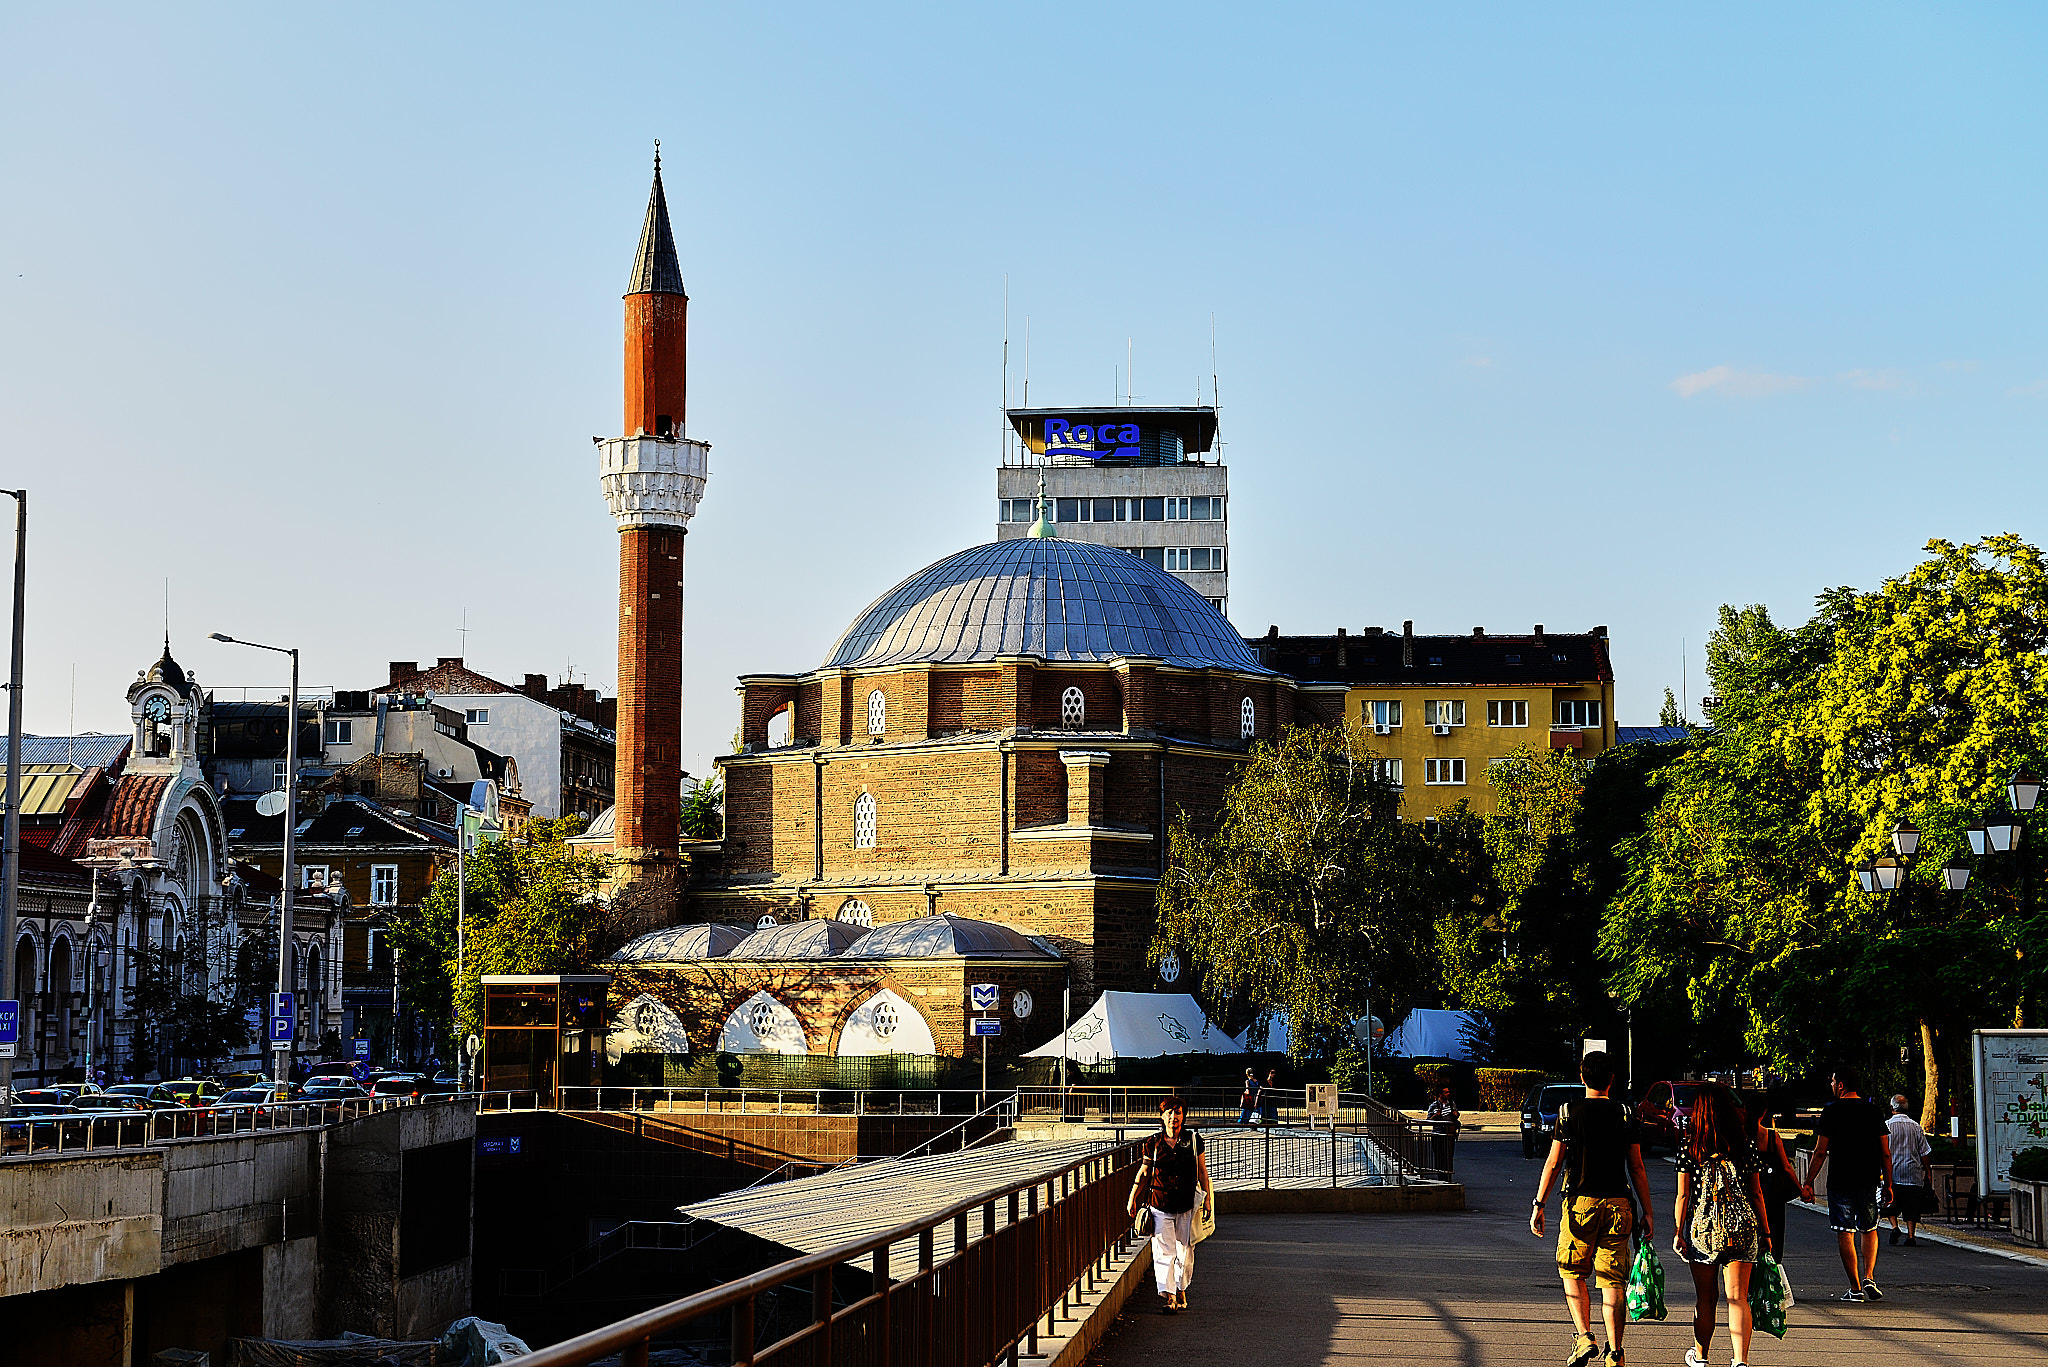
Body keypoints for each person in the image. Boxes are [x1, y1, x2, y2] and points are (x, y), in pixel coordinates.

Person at [1531, 1050, 1653, 1367]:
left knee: (1572, 1271)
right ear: (1612, 1079)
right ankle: (1615, 1352)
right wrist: (1648, 1211)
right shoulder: (1626, 1113)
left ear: (1582, 1077)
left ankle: (1584, 1337)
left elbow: (1554, 1163)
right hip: (1619, 1205)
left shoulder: (1569, 1113)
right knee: (1612, 1280)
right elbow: (1637, 1167)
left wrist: (1539, 1203)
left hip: (1579, 1204)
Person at [1673, 1081, 1768, 1367]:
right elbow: (1756, 1192)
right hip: (1741, 1229)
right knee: (1738, 1298)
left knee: (1706, 1298)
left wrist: (1679, 1232)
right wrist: (1765, 1231)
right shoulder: (1744, 1144)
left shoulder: (1691, 1145)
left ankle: (1701, 1356)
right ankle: (1740, 1361)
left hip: (1703, 1232)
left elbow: (1683, 1194)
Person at [1801, 1064, 1894, 1303]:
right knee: (1870, 1228)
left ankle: (1854, 1288)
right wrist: (1889, 1184)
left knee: (1845, 1232)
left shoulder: (1831, 1111)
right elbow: (1885, 1152)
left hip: (1841, 1180)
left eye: (1832, 1081)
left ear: (1841, 1085)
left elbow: (1820, 1151)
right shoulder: (1873, 1111)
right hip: (1869, 1179)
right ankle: (1869, 1276)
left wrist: (1808, 1182)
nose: (1831, 1085)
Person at [1124, 1096, 1214, 1314]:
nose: (1174, 1117)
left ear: (1183, 1116)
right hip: (1160, 1203)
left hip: (1186, 1203)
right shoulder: (1153, 1143)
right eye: (1169, 1113)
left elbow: (1202, 1171)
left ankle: (1181, 1288)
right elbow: (1145, 1171)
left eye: (1178, 1112)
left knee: (1185, 1250)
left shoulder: (1193, 1140)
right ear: (1162, 1116)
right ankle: (1170, 1297)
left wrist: (1208, 1199)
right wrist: (1132, 1197)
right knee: (1163, 1252)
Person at [1747, 1093, 1799, 1258]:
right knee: (1774, 1240)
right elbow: (1786, 1167)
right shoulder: (1771, 1137)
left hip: (1746, 1193)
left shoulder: (1739, 1137)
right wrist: (1801, 1190)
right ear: (1764, 1112)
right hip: (1772, 1196)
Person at [1885, 1094, 1933, 1247]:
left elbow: (1881, 1150)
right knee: (1911, 1206)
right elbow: (1924, 1152)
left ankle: (1894, 1227)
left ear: (1892, 1108)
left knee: (1890, 1203)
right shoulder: (1916, 1127)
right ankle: (1911, 1236)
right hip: (1913, 1174)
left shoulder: (1886, 1126)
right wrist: (1928, 1172)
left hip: (1892, 1172)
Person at [1426, 1085, 1462, 1173]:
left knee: (1449, 1156)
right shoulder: (1434, 1105)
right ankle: (1440, 1174)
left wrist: (1456, 1114)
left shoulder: (1451, 1103)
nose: (1448, 1094)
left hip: (1449, 1134)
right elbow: (1428, 1121)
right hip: (1438, 1134)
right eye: (1446, 1092)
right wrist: (1435, 1115)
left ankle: (1448, 1174)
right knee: (1439, 1156)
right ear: (1440, 1094)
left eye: (1448, 1092)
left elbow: (1456, 1114)